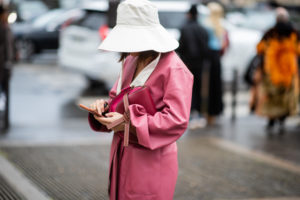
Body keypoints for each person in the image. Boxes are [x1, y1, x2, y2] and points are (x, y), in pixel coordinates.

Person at [87, 0, 193, 199]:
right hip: (123, 153)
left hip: (151, 159)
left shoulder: (174, 68)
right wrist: (104, 108)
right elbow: (116, 99)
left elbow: (177, 120)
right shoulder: (131, 60)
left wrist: (127, 124)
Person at [252, 7, 299, 132]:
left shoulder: (270, 33)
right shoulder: (294, 32)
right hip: (288, 72)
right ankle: (282, 120)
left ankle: (272, 120)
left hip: (272, 71)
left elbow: (259, 48)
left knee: (271, 97)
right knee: (284, 98)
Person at [177, 4, 209, 129]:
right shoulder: (202, 29)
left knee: (188, 90)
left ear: (189, 14)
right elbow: (206, 48)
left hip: (187, 64)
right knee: (199, 89)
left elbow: (181, 46)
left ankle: (190, 114)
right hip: (200, 64)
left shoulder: (184, 28)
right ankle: (199, 114)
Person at [202, 2, 229, 126]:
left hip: (208, 56)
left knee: (207, 85)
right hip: (217, 56)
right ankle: (215, 111)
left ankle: (207, 112)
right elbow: (224, 44)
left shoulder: (206, 24)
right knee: (216, 85)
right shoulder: (222, 24)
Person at [0, 4, 13, 131]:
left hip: (5, 66)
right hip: (2, 66)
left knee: (4, 95)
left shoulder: (5, 26)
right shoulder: (2, 27)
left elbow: (10, 45)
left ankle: (5, 122)